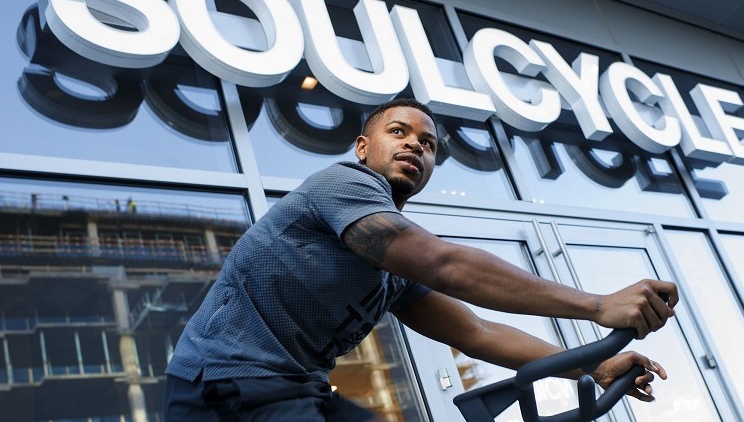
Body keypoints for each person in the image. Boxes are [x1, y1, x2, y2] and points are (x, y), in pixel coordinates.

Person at [164, 97, 679, 422]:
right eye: (399, 132)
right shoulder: (344, 185)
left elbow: (476, 333)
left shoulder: (393, 269)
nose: (415, 143)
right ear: (363, 148)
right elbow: (444, 265)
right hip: (225, 384)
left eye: (428, 143)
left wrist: (599, 365)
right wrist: (596, 306)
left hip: (294, 389)